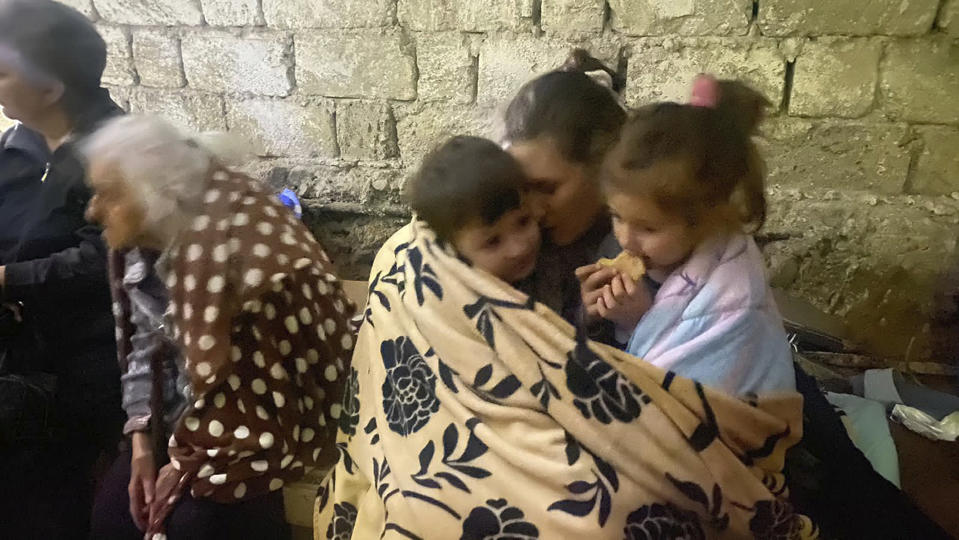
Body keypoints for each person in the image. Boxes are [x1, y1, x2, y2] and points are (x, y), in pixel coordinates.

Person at [83, 115, 356, 538]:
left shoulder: (245, 254)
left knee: (199, 524)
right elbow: (142, 345)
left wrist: (185, 467)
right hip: (180, 417)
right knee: (114, 515)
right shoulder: (140, 244)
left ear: (154, 194)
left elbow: (268, 396)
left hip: (265, 426)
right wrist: (141, 440)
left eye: (108, 194)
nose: (93, 210)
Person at [577, 75, 794, 396]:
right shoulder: (655, 251)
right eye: (616, 216)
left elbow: (679, 397)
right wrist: (595, 316)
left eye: (648, 228)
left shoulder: (730, 299)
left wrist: (643, 319)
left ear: (705, 220)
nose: (626, 239)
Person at [0, 0, 124, 535]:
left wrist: (10, 279)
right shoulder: (17, 145)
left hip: (93, 362)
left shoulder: (124, 149)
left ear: (50, 88)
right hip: (17, 348)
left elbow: (107, 256)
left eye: (3, 71)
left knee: (51, 501)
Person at [500, 49, 626, 329]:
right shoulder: (503, 229)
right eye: (519, 188)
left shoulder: (652, 245)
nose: (530, 210)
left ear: (603, 168)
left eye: (546, 188)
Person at [406, 136, 541, 284]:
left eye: (523, 221)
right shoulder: (452, 296)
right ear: (453, 249)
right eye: (493, 241)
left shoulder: (550, 262)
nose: (519, 249)